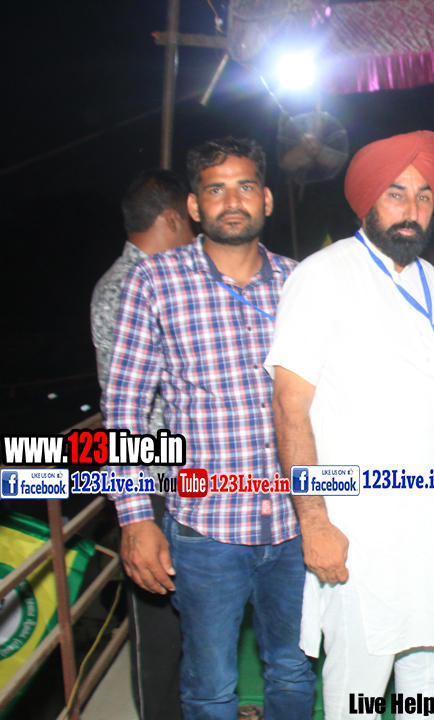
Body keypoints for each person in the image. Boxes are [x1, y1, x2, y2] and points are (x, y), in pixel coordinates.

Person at [265, 131, 434, 720]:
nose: (412, 209)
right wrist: (314, 523)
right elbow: (290, 406)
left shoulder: (433, 282)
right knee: (358, 696)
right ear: (368, 200)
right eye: (396, 194)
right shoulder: (322, 275)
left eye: (424, 196)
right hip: (360, 532)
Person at [104, 137, 316, 720]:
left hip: (295, 522)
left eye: (245, 186)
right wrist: (136, 519)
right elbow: (124, 407)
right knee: (211, 687)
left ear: (265, 199)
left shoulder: (300, 282)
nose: (232, 201)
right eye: (216, 189)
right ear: (195, 206)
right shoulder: (154, 281)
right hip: (206, 530)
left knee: (293, 669)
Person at [91, 168, 193, 720]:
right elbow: (125, 411)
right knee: (157, 635)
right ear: (173, 218)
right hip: (151, 484)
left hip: (182, 481)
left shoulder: (146, 279)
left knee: (187, 623)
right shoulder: (129, 285)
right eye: (190, 220)